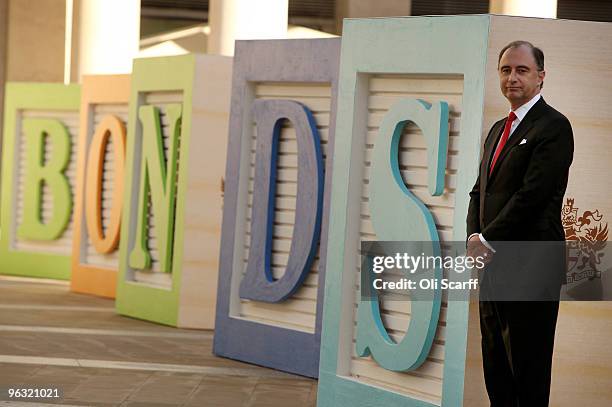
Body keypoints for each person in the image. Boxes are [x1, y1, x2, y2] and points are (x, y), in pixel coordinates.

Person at [466, 41, 574, 406]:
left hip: (531, 266)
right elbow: (479, 192)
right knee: (496, 368)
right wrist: (473, 237)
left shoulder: (555, 127)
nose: (512, 77)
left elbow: (532, 197)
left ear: (541, 77)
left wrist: (487, 239)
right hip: (493, 266)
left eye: (522, 70)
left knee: (527, 370)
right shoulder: (498, 128)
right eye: (506, 70)